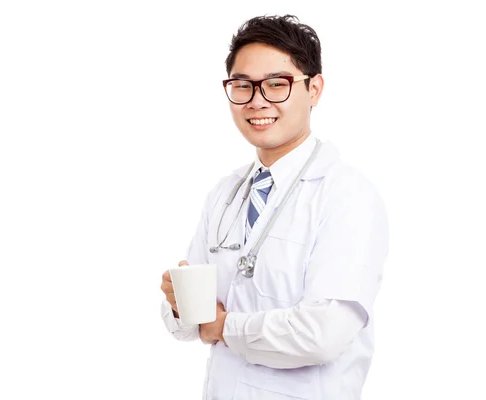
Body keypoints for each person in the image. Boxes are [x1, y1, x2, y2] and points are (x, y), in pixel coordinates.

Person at [159, 14, 388, 400]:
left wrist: (224, 327)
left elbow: (324, 334)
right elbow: (183, 325)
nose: (257, 101)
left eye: (277, 85)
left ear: (314, 89)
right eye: (242, 85)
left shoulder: (348, 196)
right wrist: (180, 306)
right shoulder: (225, 193)